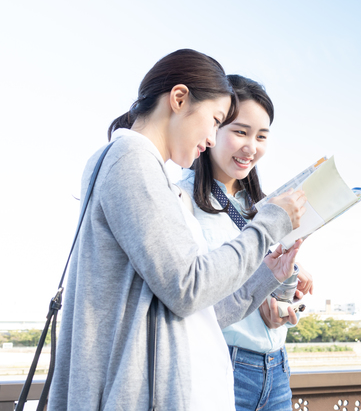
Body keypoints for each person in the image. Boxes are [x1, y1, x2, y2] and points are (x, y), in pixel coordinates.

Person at [48, 49, 306, 411]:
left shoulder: (140, 166)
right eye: (216, 120)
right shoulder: (131, 160)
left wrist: (266, 276)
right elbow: (188, 287)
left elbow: (198, 308)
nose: (213, 138)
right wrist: (269, 226)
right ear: (179, 99)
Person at [178, 74, 312, 411]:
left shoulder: (265, 206)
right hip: (222, 364)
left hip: (277, 367)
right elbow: (192, 291)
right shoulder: (181, 198)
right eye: (240, 132)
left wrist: (289, 278)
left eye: (262, 136)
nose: (252, 147)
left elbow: (260, 277)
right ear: (213, 129)